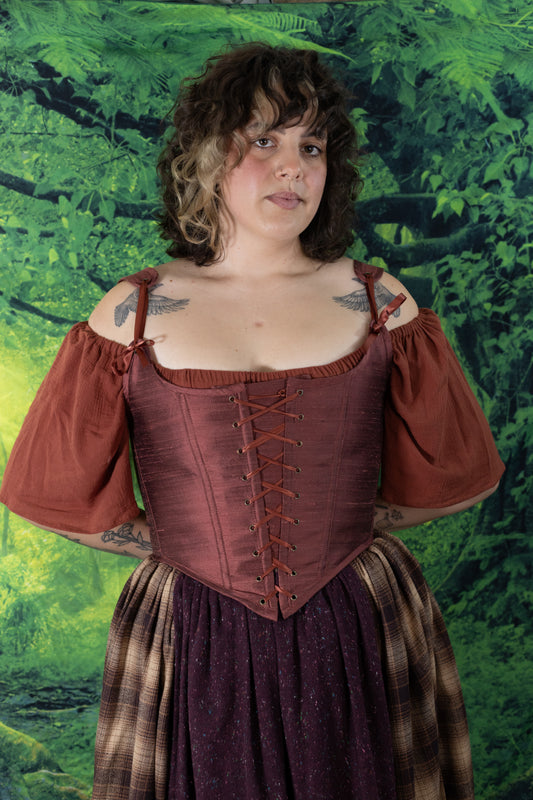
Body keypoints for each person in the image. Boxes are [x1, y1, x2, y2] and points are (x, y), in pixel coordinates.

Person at [0, 43, 504, 800]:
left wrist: (344, 533)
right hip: (191, 633)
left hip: (357, 619)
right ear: (204, 157)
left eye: (311, 145)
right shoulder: (133, 312)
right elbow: (52, 492)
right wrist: (178, 549)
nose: (293, 167)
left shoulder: (378, 302)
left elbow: (456, 475)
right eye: (262, 139)